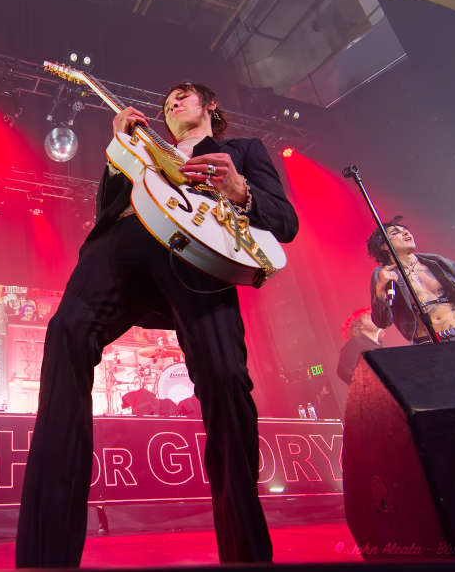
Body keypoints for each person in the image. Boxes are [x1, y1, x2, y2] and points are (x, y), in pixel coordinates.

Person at [15, 83, 299, 567]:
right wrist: (115, 151)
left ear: (211, 105)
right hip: (124, 240)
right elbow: (106, 206)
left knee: (226, 378)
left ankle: (247, 555)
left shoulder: (240, 151)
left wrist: (241, 191)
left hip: (195, 252)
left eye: (184, 94)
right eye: (167, 99)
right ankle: (45, 558)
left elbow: (285, 221)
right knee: (65, 335)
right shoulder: (144, 148)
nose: (172, 102)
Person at [368, 216, 455, 344]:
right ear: (384, 246)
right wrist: (380, 288)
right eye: (395, 233)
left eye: (406, 230)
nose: (405, 233)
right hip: (427, 343)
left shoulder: (437, 262)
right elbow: (382, 323)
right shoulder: (382, 274)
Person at [336, 308, 384, 385]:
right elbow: (343, 370)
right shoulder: (355, 343)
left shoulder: (380, 345)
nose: (375, 319)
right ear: (359, 325)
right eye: (369, 318)